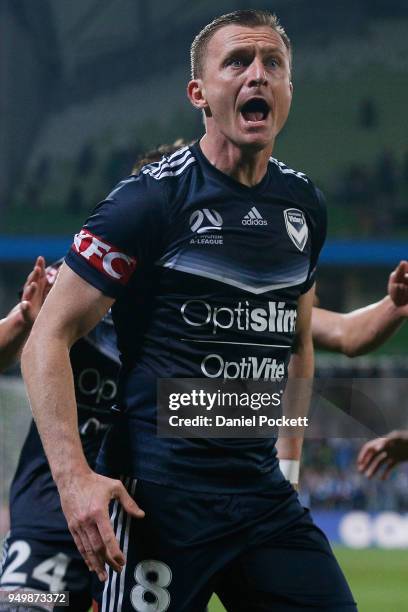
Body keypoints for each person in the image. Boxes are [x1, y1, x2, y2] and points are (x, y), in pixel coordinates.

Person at [22, 9, 358, 610]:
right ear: (198, 94)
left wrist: (288, 465)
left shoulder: (305, 207)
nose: (258, 76)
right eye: (237, 63)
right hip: (161, 503)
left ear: (288, 91)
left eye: (272, 64)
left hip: (263, 501)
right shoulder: (149, 201)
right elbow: (46, 337)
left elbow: (297, 344)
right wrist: (74, 482)